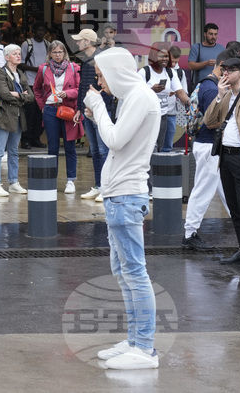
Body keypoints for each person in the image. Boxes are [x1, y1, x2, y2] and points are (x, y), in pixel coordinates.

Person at [85, 46, 162, 370]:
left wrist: (98, 108)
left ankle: (144, 348)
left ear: (115, 72)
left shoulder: (141, 97)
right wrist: (99, 109)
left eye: (102, 75)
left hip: (126, 197)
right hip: (121, 197)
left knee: (134, 272)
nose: (100, 83)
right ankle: (135, 342)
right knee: (126, 272)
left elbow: (114, 140)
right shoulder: (135, 97)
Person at [203, 56, 240, 271]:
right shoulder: (226, 95)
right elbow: (209, 122)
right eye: (224, 69)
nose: (225, 73)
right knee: (234, 206)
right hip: (225, 158)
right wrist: (218, 96)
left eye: (231, 69)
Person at [182, 66, 228, 252]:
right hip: (210, 146)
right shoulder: (211, 90)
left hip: (210, 145)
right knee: (203, 190)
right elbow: (212, 122)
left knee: (228, 191)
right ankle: (189, 233)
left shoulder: (205, 85)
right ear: (223, 69)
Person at [34, 40, 82, 194]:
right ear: (49, 54)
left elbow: (80, 89)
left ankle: (70, 180)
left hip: (68, 110)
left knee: (70, 146)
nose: (57, 55)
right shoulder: (43, 69)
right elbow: (36, 89)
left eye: (60, 52)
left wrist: (67, 93)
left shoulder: (74, 68)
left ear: (65, 52)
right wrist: (42, 107)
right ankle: (51, 179)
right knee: (52, 146)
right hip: (51, 110)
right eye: (54, 52)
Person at [71, 29, 112, 201]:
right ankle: (98, 185)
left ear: (88, 42)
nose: (77, 43)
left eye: (80, 40)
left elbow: (107, 87)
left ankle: (106, 188)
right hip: (88, 110)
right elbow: (82, 87)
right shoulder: (86, 60)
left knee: (103, 150)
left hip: (100, 109)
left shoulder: (101, 59)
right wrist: (80, 108)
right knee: (95, 150)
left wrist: (96, 107)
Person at [0, 44, 32, 197]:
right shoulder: (1, 73)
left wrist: (18, 95)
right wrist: (22, 96)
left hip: (19, 117)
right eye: (14, 54)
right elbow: (5, 94)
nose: (18, 56)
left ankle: (13, 182)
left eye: (19, 53)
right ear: (7, 57)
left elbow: (31, 96)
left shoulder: (21, 73)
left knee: (14, 151)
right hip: (4, 116)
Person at [143, 44, 188, 153]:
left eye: (166, 56)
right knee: (148, 147)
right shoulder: (145, 72)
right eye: (161, 56)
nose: (165, 59)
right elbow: (136, 94)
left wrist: (191, 105)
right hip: (148, 116)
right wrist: (152, 90)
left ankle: (160, 169)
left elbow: (180, 91)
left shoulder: (171, 72)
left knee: (162, 146)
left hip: (164, 115)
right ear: (154, 56)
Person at [19, 24, 48, 150]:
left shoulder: (47, 44)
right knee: (29, 112)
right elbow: (20, 64)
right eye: (38, 30)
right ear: (33, 31)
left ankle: (36, 138)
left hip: (44, 83)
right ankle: (25, 139)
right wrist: (36, 69)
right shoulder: (27, 44)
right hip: (30, 82)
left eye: (43, 30)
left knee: (40, 113)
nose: (40, 32)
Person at [188, 23, 224, 90]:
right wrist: (206, 63)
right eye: (210, 34)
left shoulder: (221, 49)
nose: (213, 37)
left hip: (218, 86)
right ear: (205, 34)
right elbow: (190, 66)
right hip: (200, 86)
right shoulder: (196, 47)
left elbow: (226, 68)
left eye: (215, 34)